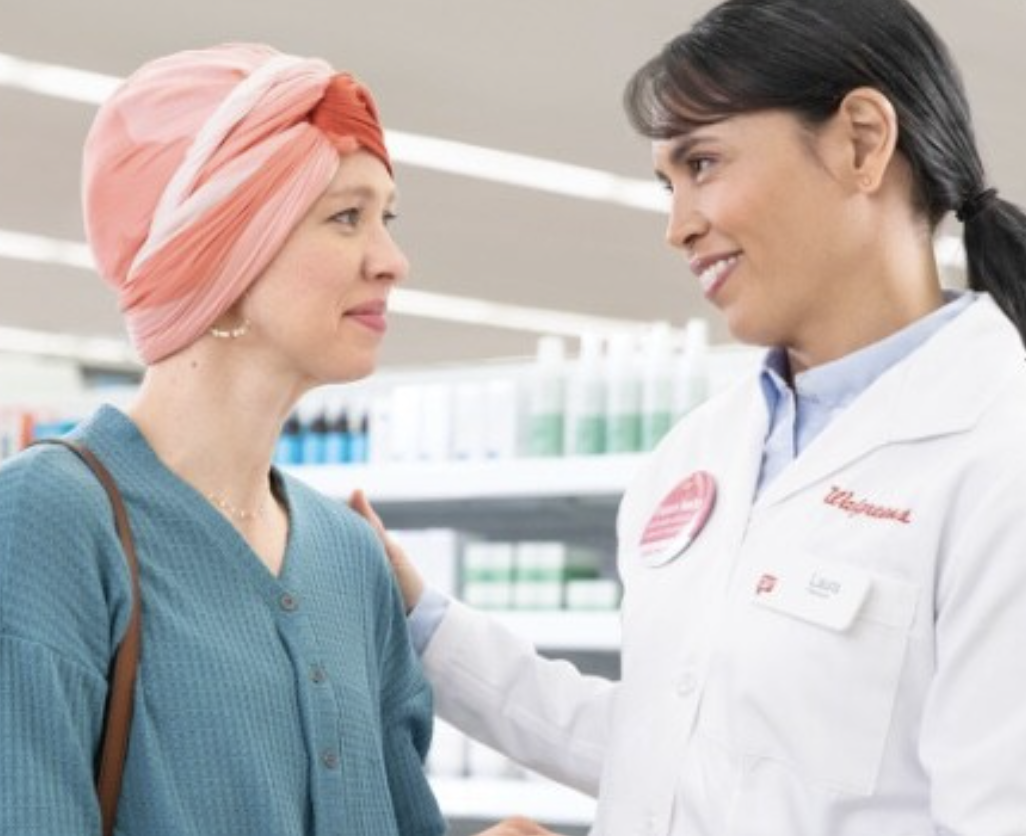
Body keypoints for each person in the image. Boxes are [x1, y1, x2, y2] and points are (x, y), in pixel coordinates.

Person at [352, 1, 1026, 834]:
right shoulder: (695, 456)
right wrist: (424, 624)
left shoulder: (1001, 456)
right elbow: (673, 745)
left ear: (860, 140)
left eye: (703, 163)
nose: (677, 228)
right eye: (667, 185)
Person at [0, 42, 559, 836]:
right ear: (223, 250)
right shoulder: (49, 517)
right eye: (346, 218)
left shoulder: (349, 554)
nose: (393, 261)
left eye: (386, 218)